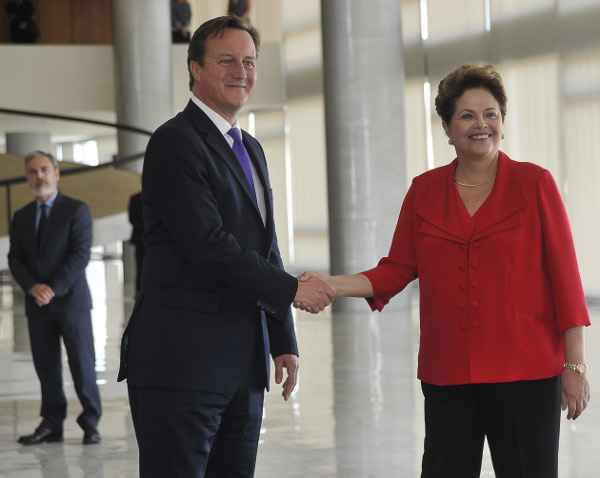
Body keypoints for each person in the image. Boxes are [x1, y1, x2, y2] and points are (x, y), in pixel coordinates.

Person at [297, 64, 591, 477]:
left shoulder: (534, 183)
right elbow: (395, 270)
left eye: (490, 114)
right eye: (467, 116)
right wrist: (330, 285)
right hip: (449, 373)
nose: (480, 125)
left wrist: (575, 366)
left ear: (503, 122)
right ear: (448, 128)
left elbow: (565, 279)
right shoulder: (424, 191)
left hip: (526, 373)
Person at [117, 16, 334, 478]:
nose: (242, 71)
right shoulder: (174, 142)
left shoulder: (250, 147)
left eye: (250, 61)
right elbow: (206, 245)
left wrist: (283, 340)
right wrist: (291, 290)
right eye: (227, 61)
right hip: (181, 364)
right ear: (195, 68)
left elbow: (265, 244)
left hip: (242, 366)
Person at [8, 150, 102, 446]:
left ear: (57, 174)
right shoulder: (21, 216)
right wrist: (32, 286)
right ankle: (52, 423)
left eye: (45, 170)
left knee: (82, 364)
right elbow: (15, 259)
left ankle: (90, 422)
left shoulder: (77, 210)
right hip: (37, 304)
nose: (39, 176)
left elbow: (80, 254)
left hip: (71, 302)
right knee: (46, 366)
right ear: (27, 177)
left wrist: (52, 288)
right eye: (33, 172)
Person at [127, 191, 144, 294]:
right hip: (142, 241)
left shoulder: (136, 198)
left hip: (140, 240)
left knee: (140, 271)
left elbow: (132, 219)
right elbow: (132, 219)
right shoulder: (136, 198)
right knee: (141, 270)